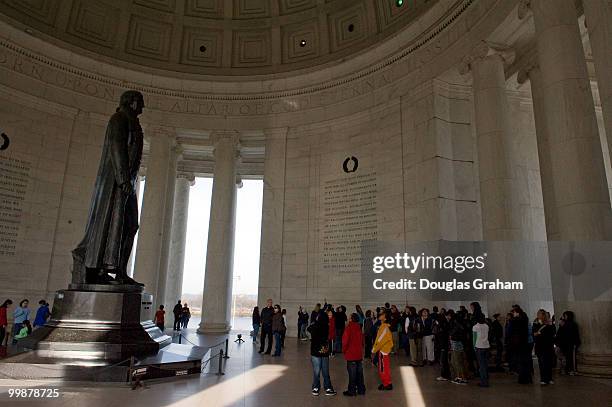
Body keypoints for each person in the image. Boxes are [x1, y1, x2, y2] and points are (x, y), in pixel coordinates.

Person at [308, 309, 336, 396]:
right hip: (324, 351)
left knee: (316, 371)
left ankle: (316, 388)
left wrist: (315, 321)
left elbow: (308, 328)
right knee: (325, 371)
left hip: (315, 352)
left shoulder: (315, 326)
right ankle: (328, 388)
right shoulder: (326, 326)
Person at [342, 313, 365, 396]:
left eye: (349, 317)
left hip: (351, 354)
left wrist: (344, 351)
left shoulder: (348, 328)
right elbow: (362, 341)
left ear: (351, 319)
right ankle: (361, 390)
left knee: (352, 374)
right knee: (360, 373)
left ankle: (351, 391)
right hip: (358, 354)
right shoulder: (359, 328)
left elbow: (345, 342)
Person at [508, 306, 532, 384]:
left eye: (514, 313)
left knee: (520, 361)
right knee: (526, 361)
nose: (513, 314)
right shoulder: (525, 319)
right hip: (525, 342)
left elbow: (510, 331)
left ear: (517, 312)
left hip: (517, 343)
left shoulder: (514, 321)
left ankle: (522, 379)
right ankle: (528, 378)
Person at [372, 310, 393, 390]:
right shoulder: (383, 326)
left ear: (385, 317)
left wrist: (374, 350)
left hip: (383, 350)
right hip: (384, 350)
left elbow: (380, 340)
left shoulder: (384, 327)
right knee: (385, 368)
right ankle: (388, 382)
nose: (379, 315)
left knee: (383, 369)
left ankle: (386, 384)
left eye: (382, 314)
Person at [533, 309, 555, 385]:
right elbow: (534, 333)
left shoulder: (549, 323)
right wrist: (539, 333)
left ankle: (549, 378)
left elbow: (551, 333)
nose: (538, 315)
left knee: (548, 363)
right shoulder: (536, 323)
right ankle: (543, 378)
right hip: (540, 346)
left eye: (540, 314)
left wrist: (540, 333)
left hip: (547, 346)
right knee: (541, 363)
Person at [555, 310, 580, 376]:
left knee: (571, 357)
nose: (564, 317)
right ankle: (566, 369)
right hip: (564, 344)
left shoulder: (573, 324)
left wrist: (576, 343)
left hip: (570, 343)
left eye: (565, 316)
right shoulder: (563, 324)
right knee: (565, 357)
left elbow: (574, 334)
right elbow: (559, 333)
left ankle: (572, 370)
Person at [448, 310, 468, 385]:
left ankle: (461, 378)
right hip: (459, 343)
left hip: (456, 342)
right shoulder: (463, 323)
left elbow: (452, 333)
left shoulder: (457, 324)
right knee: (456, 361)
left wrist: (451, 335)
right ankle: (460, 377)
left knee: (457, 361)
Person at [473, 314, 490, 387]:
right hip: (486, 346)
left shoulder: (475, 327)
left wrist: (474, 347)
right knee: (485, 364)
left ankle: (484, 382)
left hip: (479, 346)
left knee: (481, 365)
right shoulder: (486, 326)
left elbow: (474, 338)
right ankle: (486, 379)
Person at [436, 310, 451, 382]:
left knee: (443, 361)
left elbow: (442, 337)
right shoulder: (447, 324)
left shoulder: (444, 325)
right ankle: (446, 374)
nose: (449, 317)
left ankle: (444, 375)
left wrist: (442, 347)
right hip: (445, 345)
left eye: (449, 316)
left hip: (444, 346)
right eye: (447, 316)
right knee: (445, 361)